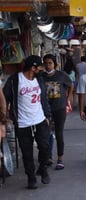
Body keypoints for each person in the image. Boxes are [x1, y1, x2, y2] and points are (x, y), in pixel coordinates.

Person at [3, 55, 51, 189]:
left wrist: (47, 115)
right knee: (27, 152)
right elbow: (4, 97)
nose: (42, 68)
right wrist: (6, 116)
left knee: (44, 147)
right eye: (40, 66)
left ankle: (43, 168)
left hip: (40, 119)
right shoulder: (15, 80)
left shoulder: (40, 80)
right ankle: (31, 177)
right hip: (22, 123)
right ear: (33, 68)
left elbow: (44, 98)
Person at [42, 54, 74, 170]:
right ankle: (48, 156)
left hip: (60, 108)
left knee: (59, 133)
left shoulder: (62, 75)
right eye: (45, 63)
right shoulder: (41, 77)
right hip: (46, 110)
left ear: (55, 64)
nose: (47, 65)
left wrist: (68, 99)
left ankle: (60, 159)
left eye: (50, 63)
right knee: (46, 133)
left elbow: (71, 85)